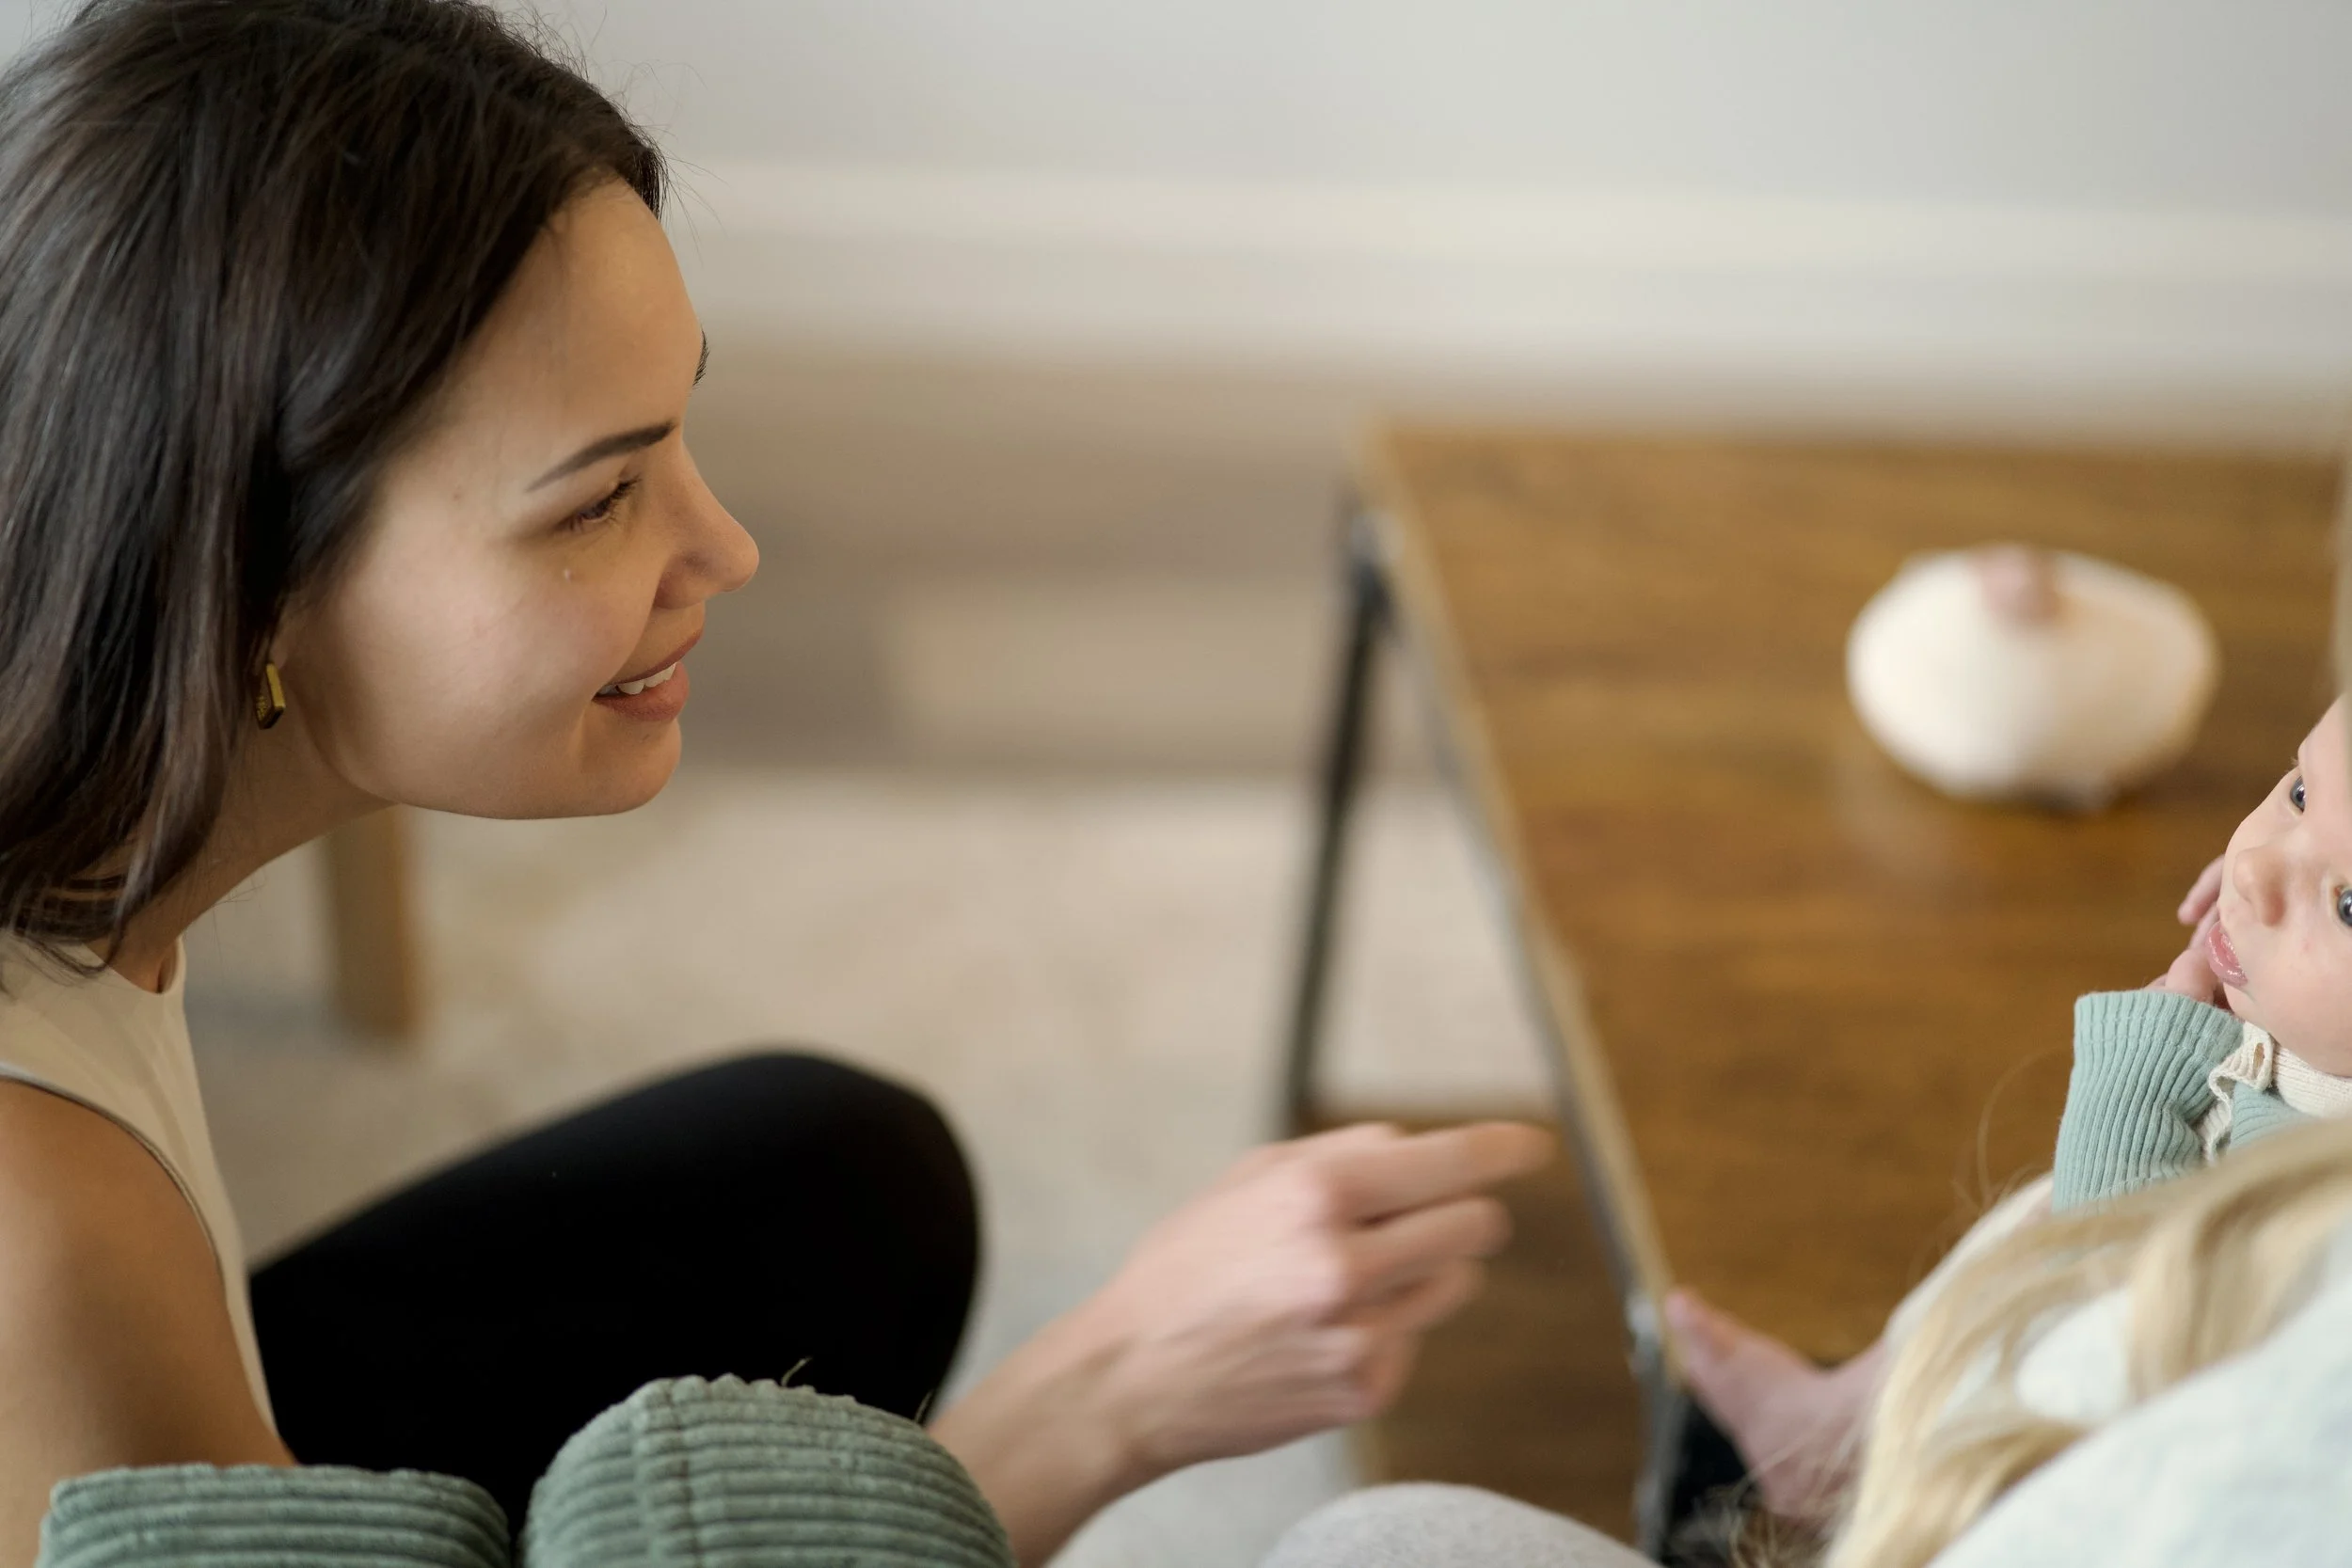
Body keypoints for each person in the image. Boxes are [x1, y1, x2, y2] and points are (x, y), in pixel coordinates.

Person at [0, 3, 1554, 1564]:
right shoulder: (48, 1244)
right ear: (242, 587)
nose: (726, 549)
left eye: (679, 434)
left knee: (839, 1191)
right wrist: (1103, 1396)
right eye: (600, 498)